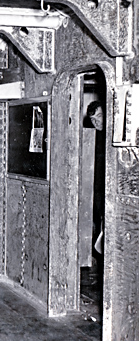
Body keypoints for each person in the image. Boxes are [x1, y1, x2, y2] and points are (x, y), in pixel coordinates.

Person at [86, 101, 105, 254]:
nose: (97, 121)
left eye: (99, 116)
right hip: (96, 189)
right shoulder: (91, 138)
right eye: (93, 119)